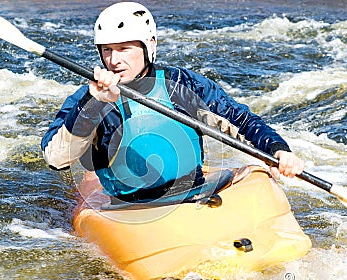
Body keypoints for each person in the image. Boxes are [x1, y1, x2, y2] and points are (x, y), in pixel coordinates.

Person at [41, 2, 305, 203]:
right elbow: (57, 159)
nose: (114, 60)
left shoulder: (182, 85)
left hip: (193, 194)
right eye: (107, 50)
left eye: (124, 49)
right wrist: (93, 105)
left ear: (149, 46)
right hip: (130, 207)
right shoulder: (87, 98)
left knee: (258, 173)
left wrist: (278, 150)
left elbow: (239, 119)